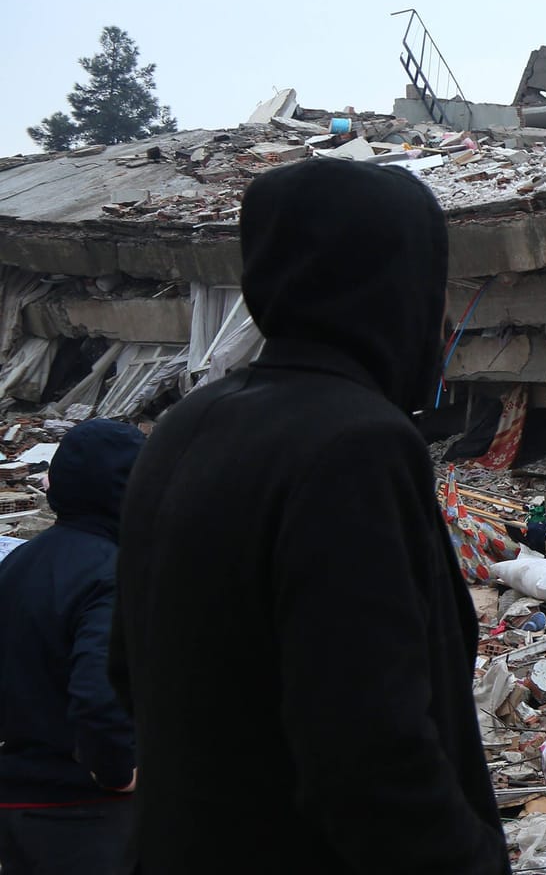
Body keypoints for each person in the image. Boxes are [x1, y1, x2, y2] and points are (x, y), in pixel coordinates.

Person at [112, 159, 510, 874]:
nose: (440, 316)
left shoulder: (187, 424)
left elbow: (126, 670)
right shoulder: (356, 444)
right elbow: (369, 753)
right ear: (392, 288)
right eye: (431, 285)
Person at [0, 420, 144, 875]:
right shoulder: (111, 575)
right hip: (80, 810)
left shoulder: (21, 560)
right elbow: (99, 698)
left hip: (16, 799)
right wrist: (117, 772)